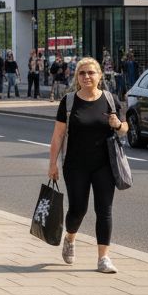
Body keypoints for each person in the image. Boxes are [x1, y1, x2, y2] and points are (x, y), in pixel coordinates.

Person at [47, 56, 128, 274]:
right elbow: (58, 135)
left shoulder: (110, 100)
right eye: (82, 73)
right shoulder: (69, 101)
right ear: (77, 77)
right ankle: (70, 238)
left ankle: (103, 258)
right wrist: (52, 164)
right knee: (78, 209)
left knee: (104, 210)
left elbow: (124, 129)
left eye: (91, 72)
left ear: (100, 76)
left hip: (104, 164)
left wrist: (118, 124)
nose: (87, 77)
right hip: (75, 165)